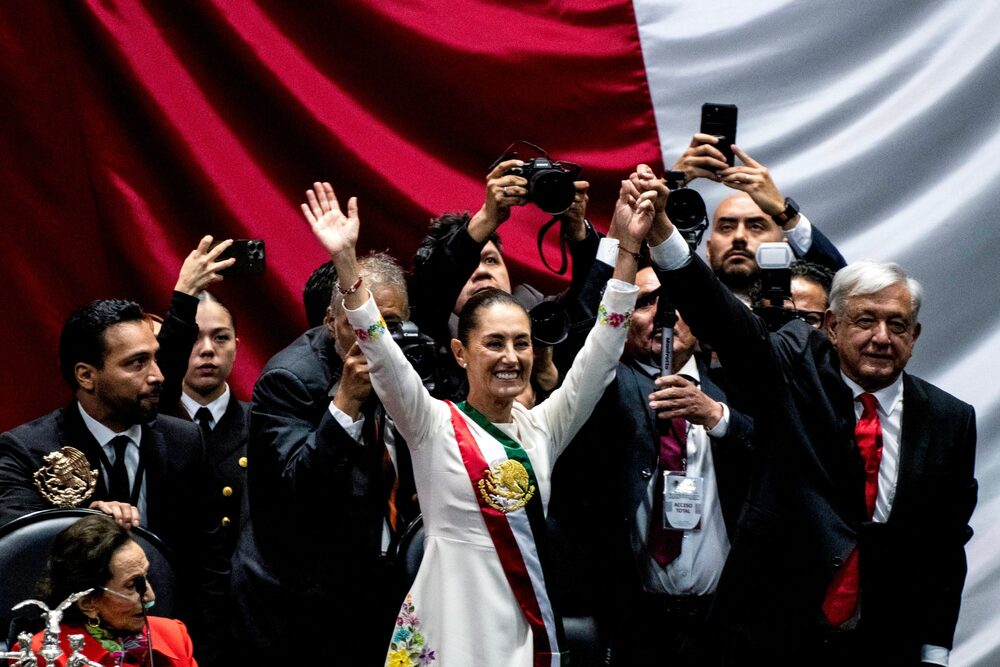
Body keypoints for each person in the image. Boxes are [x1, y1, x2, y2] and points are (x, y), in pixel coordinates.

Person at [303, 179, 648, 666]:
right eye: (495, 343)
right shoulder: (429, 422)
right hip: (448, 627)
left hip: (520, 630)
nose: (511, 357)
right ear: (461, 354)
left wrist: (628, 250)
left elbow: (602, 351)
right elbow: (379, 349)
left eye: (521, 343)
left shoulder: (543, 429)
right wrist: (346, 261)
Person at [648, 209, 978, 665]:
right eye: (865, 321)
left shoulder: (950, 419)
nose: (882, 338)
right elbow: (725, 322)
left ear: (915, 336)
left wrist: (934, 650)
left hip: (884, 639)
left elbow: (946, 546)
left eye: (897, 325)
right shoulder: (793, 372)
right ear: (831, 327)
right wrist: (664, 236)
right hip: (773, 634)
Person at [0, 299, 228, 663]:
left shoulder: (185, 441)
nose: (158, 375)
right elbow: (16, 539)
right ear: (86, 376)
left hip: (170, 643)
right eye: (137, 363)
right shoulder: (28, 450)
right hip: (72, 649)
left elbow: (210, 564)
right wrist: (83, 518)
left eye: (155, 358)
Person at [550, 263, 754, 665]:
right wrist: (617, 251)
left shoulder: (734, 389)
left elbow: (773, 455)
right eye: (646, 302)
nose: (667, 313)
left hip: (722, 620)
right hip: (633, 620)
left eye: (679, 301)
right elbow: (576, 338)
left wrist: (716, 416)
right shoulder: (604, 386)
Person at [230, 250, 418, 665]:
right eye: (361, 324)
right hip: (298, 602)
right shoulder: (289, 379)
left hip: (383, 586)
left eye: (391, 324)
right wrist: (346, 402)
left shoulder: (413, 360)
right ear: (331, 322)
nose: (377, 338)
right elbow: (297, 489)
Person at [409, 158, 597, 404]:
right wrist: (487, 218)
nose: (481, 272)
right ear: (459, 351)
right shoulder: (432, 335)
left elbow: (596, 295)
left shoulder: (545, 317)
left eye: (490, 260)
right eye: (469, 267)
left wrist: (579, 232)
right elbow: (429, 290)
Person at [670, 135, 846, 301]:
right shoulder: (681, 308)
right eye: (726, 227)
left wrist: (783, 213)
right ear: (708, 248)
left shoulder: (804, 312)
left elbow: (842, 287)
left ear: (783, 247)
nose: (739, 237)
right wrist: (670, 184)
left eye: (756, 226)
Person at [19, 514, 197, 666]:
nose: (150, 596)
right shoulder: (41, 655)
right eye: (132, 585)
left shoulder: (173, 635)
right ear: (88, 602)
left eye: (145, 577)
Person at [176, 292, 249, 556]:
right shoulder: (153, 425)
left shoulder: (263, 422)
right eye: (194, 337)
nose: (207, 349)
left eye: (221, 337)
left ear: (236, 346)